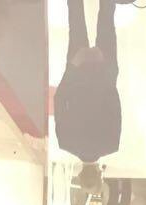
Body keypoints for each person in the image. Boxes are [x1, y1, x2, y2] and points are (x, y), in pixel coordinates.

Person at [54, 0, 121, 166]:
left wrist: (105, 69)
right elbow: (59, 99)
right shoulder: (66, 143)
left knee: (106, 19)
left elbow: (115, 105)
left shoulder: (111, 145)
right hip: (78, 74)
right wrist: (73, 68)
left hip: (102, 73)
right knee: (76, 20)